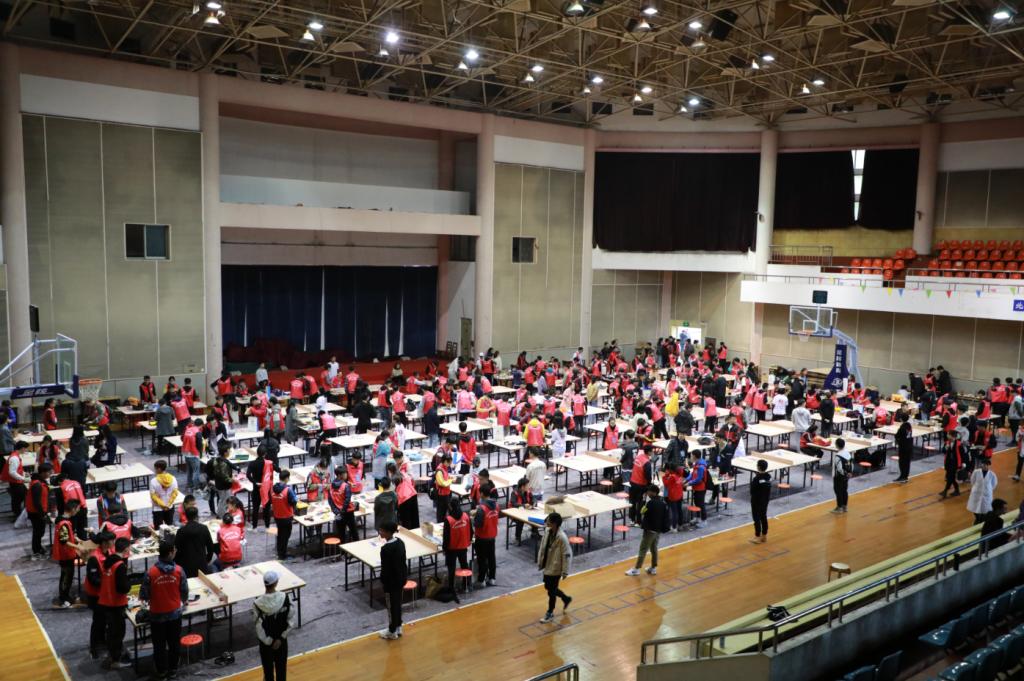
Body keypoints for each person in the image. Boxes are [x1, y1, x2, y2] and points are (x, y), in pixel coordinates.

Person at [140, 541, 188, 680]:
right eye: (174, 550)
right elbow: (184, 591)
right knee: (174, 643)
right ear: (170, 553)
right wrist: (183, 600)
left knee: (159, 645)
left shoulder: (150, 573)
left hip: (157, 615)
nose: (176, 552)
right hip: (174, 614)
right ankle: (173, 669)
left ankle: (161, 671)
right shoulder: (179, 570)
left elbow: (144, 595)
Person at [254, 571, 294, 681]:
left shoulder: (257, 604)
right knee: (281, 672)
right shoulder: (286, 598)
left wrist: (269, 641)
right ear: (276, 583)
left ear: (265, 584)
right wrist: (280, 639)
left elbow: (258, 627)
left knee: (268, 673)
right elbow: (290, 621)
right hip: (281, 642)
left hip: (266, 645)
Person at [99, 537, 131, 670]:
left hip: (106, 600)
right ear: (126, 549)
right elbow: (122, 588)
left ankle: (113, 655)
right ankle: (115, 660)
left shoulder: (109, 561)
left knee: (112, 631)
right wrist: (129, 584)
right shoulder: (120, 566)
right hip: (115, 603)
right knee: (117, 632)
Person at [84, 530, 115, 658]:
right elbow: (93, 579)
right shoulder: (94, 558)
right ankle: (94, 647)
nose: (114, 542)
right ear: (104, 543)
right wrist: (108, 582)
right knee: (98, 621)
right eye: (112, 540)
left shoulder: (110, 552)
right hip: (95, 595)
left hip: (105, 593)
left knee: (105, 619)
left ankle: (103, 641)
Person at [537, 512, 572, 624]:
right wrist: (540, 560)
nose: (546, 521)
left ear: (554, 523)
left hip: (556, 568)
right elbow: (542, 547)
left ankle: (550, 612)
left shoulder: (562, 538)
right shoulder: (547, 531)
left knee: (551, 591)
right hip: (548, 564)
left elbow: (567, 555)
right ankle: (566, 598)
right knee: (548, 587)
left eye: (549, 520)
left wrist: (565, 571)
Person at [626, 484, 668, 576]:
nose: (648, 492)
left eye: (649, 491)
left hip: (649, 530)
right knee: (654, 548)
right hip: (658, 530)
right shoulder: (663, 503)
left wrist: (645, 501)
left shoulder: (650, 503)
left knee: (643, 549)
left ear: (654, 493)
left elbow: (642, 511)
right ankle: (653, 568)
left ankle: (636, 569)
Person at [378, 521, 407, 640]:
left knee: (391, 606)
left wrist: (383, 580)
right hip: (401, 579)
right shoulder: (400, 543)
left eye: (381, 530)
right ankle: (398, 626)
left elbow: (385, 568)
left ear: (388, 532)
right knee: (398, 604)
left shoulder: (386, 549)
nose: (380, 532)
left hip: (391, 583)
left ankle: (392, 631)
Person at [52, 497, 81, 607]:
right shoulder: (64, 523)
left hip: (67, 554)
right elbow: (64, 541)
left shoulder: (64, 521)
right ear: (73, 509)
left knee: (68, 576)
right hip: (65, 555)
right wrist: (78, 547)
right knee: (66, 577)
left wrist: (77, 539)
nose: (78, 511)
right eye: (77, 509)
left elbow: (68, 536)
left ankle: (66, 595)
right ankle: (63, 598)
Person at [442, 498, 472, 604]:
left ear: (450, 507)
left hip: (451, 548)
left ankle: (451, 588)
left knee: (451, 569)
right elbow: (471, 531)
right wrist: (468, 541)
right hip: (463, 546)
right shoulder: (466, 516)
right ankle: (466, 584)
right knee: (464, 565)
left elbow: (446, 537)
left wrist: (444, 548)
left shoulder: (448, 519)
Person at [174, 506, 214, 577]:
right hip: (202, 565)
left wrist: (178, 564)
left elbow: (176, 549)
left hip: (186, 566)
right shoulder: (204, 528)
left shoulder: (181, 531)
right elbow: (210, 547)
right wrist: (207, 560)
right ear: (197, 516)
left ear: (186, 517)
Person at [474, 487, 500, 586]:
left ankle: (481, 580)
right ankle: (492, 578)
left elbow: (478, 524)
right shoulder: (496, 505)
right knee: (491, 557)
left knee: (482, 559)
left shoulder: (482, 509)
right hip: (492, 536)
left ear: (481, 494)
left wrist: (473, 519)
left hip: (482, 537)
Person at [26, 463, 52, 559]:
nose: (50, 473)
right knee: (38, 531)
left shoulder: (40, 481)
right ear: (43, 473)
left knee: (40, 531)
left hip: (39, 511)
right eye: (49, 472)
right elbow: (37, 502)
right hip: (36, 513)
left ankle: (38, 547)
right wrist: (43, 515)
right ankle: (36, 550)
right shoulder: (37, 485)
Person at [270, 470, 298, 561]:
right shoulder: (288, 490)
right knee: (286, 535)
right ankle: (283, 555)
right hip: (286, 516)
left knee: (280, 534)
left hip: (277, 516)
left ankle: (280, 552)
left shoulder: (273, 489)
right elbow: (294, 502)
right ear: (286, 478)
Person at [328, 466, 359, 543]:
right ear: (339, 475)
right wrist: (342, 511)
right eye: (345, 473)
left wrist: (335, 511)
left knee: (341, 534)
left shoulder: (331, 486)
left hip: (338, 513)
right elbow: (347, 500)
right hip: (348, 513)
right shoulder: (345, 486)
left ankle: (342, 550)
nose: (346, 475)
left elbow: (330, 500)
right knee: (354, 533)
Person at [206, 440, 236, 517]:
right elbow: (224, 476)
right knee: (224, 501)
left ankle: (220, 514)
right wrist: (233, 480)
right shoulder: (223, 463)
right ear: (225, 453)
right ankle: (222, 516)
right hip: (224, 486)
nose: (229, 452)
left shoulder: (218, 460)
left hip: (219, 483)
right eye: (229, 451)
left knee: (221, 500)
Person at [1, 438, 28, 518]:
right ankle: (17, 514)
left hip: (16, 481)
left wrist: (23, 473)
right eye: (26, 448)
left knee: (19, 498)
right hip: (15, 482)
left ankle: (18, 513)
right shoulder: (14, 458)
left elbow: (17, 469)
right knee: (17, 499)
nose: (26, 450)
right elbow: (12, 472)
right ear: (22, 448)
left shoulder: (15, 455)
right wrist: (23, 478)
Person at [150, 459, 179, 527]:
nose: (155, 470)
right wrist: (168, 505)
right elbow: (175, 493)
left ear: (159, 469)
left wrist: (163, 505)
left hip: (157, 508)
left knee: (158, 528)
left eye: (155, 469)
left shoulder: (153, 481)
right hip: (169, 507)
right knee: (169, 526)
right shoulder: (173, 478)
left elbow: (153, 496)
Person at [967, 459, 997, 524]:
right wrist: (977, 488)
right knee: (974, 507)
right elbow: (972, 481)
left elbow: (994, 484)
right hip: (976, 493)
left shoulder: (992, 474)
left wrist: (987, 489)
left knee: (985, 509)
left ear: (989, 466)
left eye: (987, 465)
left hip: (986, 494)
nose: (985, 466)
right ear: (981, 465)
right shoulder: (976, 472)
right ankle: (977, 518)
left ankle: (982, 519)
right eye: (984, 465)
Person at [749, 458, 772, 543]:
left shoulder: (756, 479)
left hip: (756, 501)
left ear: (758, 467)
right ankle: (764, 535)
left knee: (756, 518)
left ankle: (757, 536)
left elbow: (752, 490)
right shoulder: (768, 477)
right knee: (763, 517)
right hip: (765, 500)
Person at [941, 431, 966, 499]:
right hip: (948, 462)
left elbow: (963, 454)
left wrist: (963, 463)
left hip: (956, 463)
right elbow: (943, 451)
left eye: (948, 434)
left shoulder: (959, 444)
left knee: (950, 477)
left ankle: (945, 491)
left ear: (953, 436)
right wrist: (945, 448)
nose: (947, 436)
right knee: (951, 477)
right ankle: (957, 490)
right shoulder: (947, 443)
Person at [831, 437, 851, 514]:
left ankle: (839, 508)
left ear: (836, 445)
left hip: (839, 476)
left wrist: (844, 473)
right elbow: (851, 464)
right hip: (846, 476)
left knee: (838, 491)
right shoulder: (847, 453)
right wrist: (849, 473)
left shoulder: (838, 456)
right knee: (844, 490)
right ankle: (844, 506)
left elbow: (839, 469)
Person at [433, 452, 454, 523]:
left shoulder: (445, 467)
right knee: (441, 513)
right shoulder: (439, 470)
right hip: (441, 495)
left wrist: (449, 477)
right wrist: (451, 480)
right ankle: (440, 524)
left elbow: (445, 478)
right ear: (445, 461)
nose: (450, 464)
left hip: (446, 493)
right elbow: (442, 483)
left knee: (445, 511)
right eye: (449, 462)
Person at [894, 412, 913, 483]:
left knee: (902, 462)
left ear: (901, 419)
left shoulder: (902, 427)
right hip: (909, 446)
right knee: (907, 462)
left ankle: (902, 476)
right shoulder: (909, 426)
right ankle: (905, 476)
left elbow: (897, 435)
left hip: (903, 447)